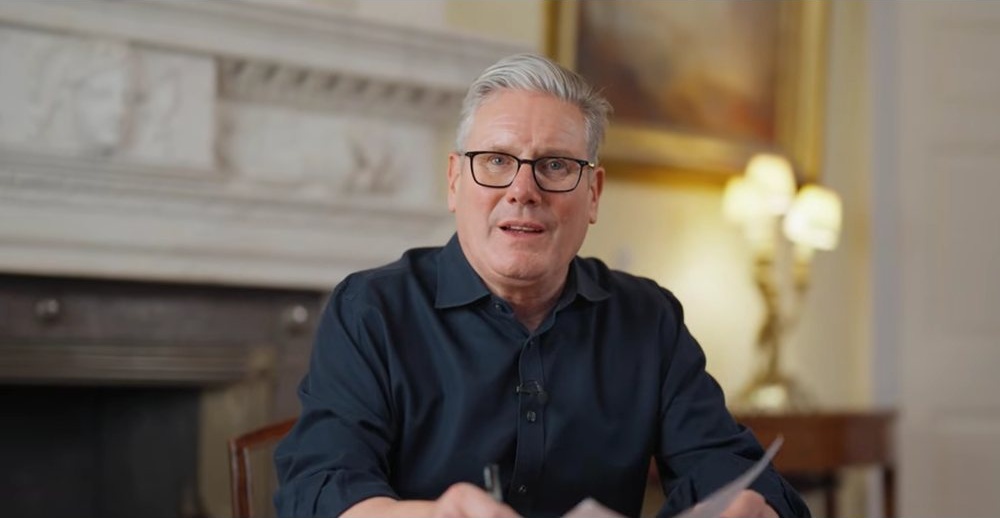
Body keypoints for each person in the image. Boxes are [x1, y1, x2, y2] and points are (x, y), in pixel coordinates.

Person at [273, 53, 810, 518]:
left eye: (555, 165)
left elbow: (727, 467)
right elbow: (319, 488)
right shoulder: (370, 310)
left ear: (593, 193)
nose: (523, 190)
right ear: (455, 181)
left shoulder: (648, 319)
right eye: (496, 161)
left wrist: (751, 505)